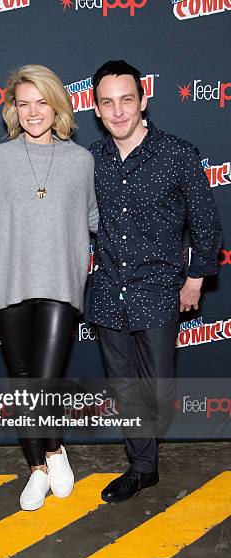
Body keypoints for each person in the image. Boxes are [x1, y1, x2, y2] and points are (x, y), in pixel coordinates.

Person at [88, 59, 223, 503]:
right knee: (125, 389)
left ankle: (147, 451)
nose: (118, 110)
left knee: (158, 393)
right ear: (96, 109)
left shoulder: (178, 154)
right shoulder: (90, 161)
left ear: (143, 100)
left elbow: (207, 225)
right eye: (108, 102)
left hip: (159, 292)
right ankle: (142, 467)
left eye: (126, 99)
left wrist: (196, 280)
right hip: (108, 292)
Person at [0, 64, 99, 511]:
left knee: (45, 379)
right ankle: (40, 464)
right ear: (13, 108)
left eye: (41, 101)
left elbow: (94, 220)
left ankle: (53, 451)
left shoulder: (81, 160)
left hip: (60, 282)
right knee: (22, 379)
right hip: (9, 280)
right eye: (23, 102)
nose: (33, 111)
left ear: (57, 105)